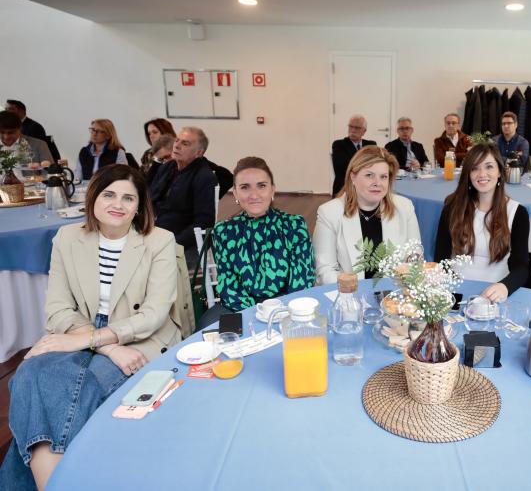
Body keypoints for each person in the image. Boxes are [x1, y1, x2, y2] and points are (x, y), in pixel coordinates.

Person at [0, 164, 181, 491]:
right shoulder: (67, 238)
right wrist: (104, 344)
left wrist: (93, 341)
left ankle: (48, 483)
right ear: (93, 197)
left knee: (76, 385)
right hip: (81, 332)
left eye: (129, 198)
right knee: (27, 375)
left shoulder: (158, 241)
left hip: (139, 339)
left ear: (139, 206)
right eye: (109, 194)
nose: (118, 204)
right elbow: (57, 308)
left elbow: (153, 314)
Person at [198, 157, 315, 328]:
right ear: (235, 193)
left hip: (287, 309)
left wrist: (277, 313)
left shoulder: (294, 225)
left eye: (261, 186)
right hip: (238, 309)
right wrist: (256, 316)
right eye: (245, 187)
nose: (254, 195)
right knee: (210, 336)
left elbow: (302, 281)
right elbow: (229, 286)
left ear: (272, 190)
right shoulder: (225, 231)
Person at [435, 143, 531, 302]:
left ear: (500, 172)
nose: (482, 174)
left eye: (489, 167)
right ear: (468, 174)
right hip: (454, 290)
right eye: (475, 168)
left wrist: (505, 287)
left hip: (496, 292)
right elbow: (441, 259)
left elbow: (521, 267)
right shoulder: (452, 209)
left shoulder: (517, 213)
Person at [314, 146, 420, 284]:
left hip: (394, 295)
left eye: (383, 177)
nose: (377, 183)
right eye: (369, 175)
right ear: (353, 177)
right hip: (349, 296)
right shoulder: (329, 213)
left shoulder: (405, 207)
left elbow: (414, 258)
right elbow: (325, 272)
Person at [148, 126, 217, 265]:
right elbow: (149, 196)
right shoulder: (168, 167)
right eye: (177, 141)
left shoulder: (204, 177)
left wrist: (173, 242)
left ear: (198, 153)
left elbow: (203, 222)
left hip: (179, 239)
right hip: (154, 232)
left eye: (185, 143)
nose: (177, 145)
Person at [331, 114, 376, 195]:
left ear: (364, 131)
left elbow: (375, 164)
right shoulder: (339, 144)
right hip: (346, 187)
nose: (353, 130)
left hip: (367, 185)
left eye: (357, 128)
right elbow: (341, 168)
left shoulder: (371, 145)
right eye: (351, 126)